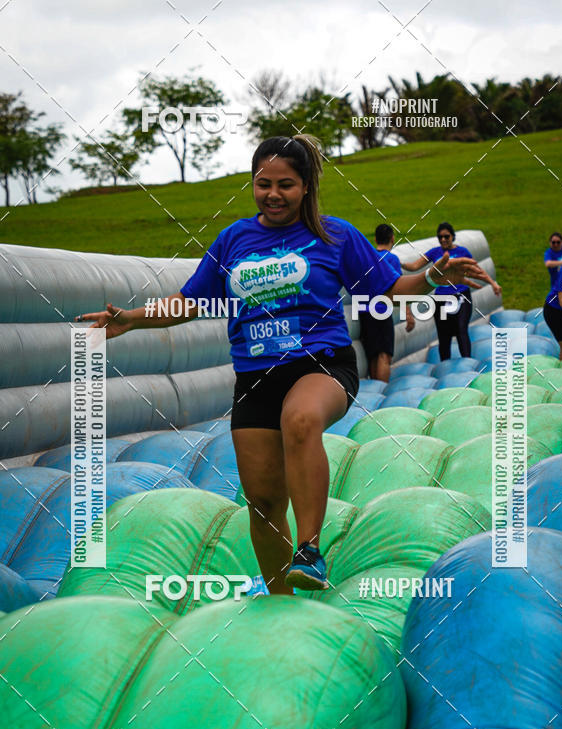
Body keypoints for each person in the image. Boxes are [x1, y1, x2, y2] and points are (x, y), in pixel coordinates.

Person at [79, 136, 486, 594]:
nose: (273, 194)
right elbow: (189, 303)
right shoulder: (233, 239)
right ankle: (281, 598)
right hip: (254, 379)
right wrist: (131, 319)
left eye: (286, 185)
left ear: (307, 187)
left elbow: (390, 289)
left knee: (300, 419)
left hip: (322, 365)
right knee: (263, 501)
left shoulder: (336, 236)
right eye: (263, 183)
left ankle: (310, 552)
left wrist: (434, 277)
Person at [402, 221, 501, 361]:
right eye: (440, 237)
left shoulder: (462, 252)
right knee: (444, 336)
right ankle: (445, 366)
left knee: (461, 330)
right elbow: (414, 266)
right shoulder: (435, 252)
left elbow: (477, 271)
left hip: (460, 296)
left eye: (446, 236)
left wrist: (492, 284)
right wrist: (398, 262)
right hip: (441, 299)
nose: (443, 240)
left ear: (452, 237)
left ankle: (468, 362)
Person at [359, 224, 414, 382]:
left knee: (372, 355)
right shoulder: (391, 259)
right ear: (392, 239)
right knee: (384, 354)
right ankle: (382, 390)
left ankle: (375, 389)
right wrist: (408, 314)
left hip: (363, 310)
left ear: (375, 239)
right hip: (381, 310)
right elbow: (399, 288)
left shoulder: (366, 260)